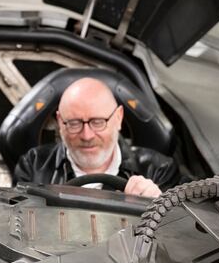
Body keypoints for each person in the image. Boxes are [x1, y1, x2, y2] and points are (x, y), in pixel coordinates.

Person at [13, 77, 179, 198]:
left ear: (118, 118)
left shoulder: (158, 170)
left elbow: (182, 235)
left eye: (98, 122)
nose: (87, 135)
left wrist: (161, 203)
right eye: (74, 123)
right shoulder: (34, 165)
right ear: (60, 122)